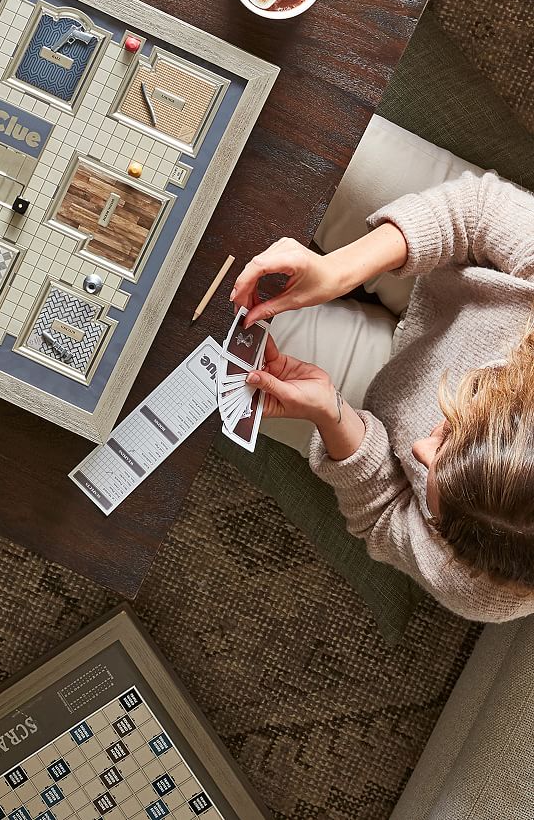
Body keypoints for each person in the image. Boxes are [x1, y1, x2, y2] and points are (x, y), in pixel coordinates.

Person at [229, 172, 534, 623]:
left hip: (374, 403)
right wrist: (336, 272)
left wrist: (331, 416)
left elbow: (384, 515)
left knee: (227, 331)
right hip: (471, 262)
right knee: (315, 154)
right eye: (448, 434)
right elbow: (475, 211)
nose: (417, 450)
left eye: (438, 511)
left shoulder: (485, 586)